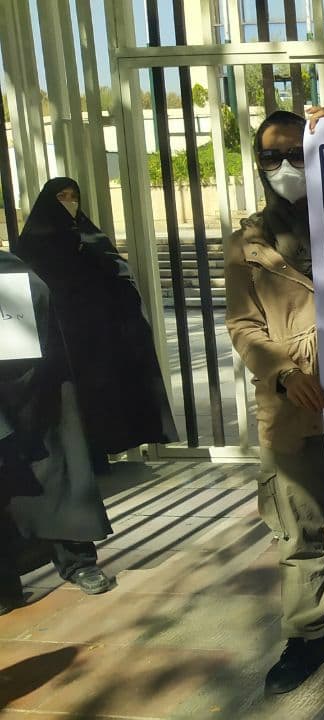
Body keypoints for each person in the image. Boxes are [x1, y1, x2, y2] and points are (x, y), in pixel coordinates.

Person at [225, 109, 324, 695]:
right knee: (297, 529)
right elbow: (243, 325)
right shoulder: (247, 244)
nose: (286, 166)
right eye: (272, 156)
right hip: (294, 406)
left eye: (297, 152)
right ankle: (305, 636)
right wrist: (285, 374)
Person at [11, 179, 176, 474]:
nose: (69, 202)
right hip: (57, 339)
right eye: (62, 196)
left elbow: (118, 276)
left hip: (94, 336)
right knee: (65, 402)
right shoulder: (30, 245)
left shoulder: (88, 236)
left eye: (74, 196)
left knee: (96, 397)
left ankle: (99, 455)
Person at [1, 250, 114, 612]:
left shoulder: (11, 271)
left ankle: (77, 561)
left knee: (56, 476)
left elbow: (36, 312)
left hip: (32, 390)